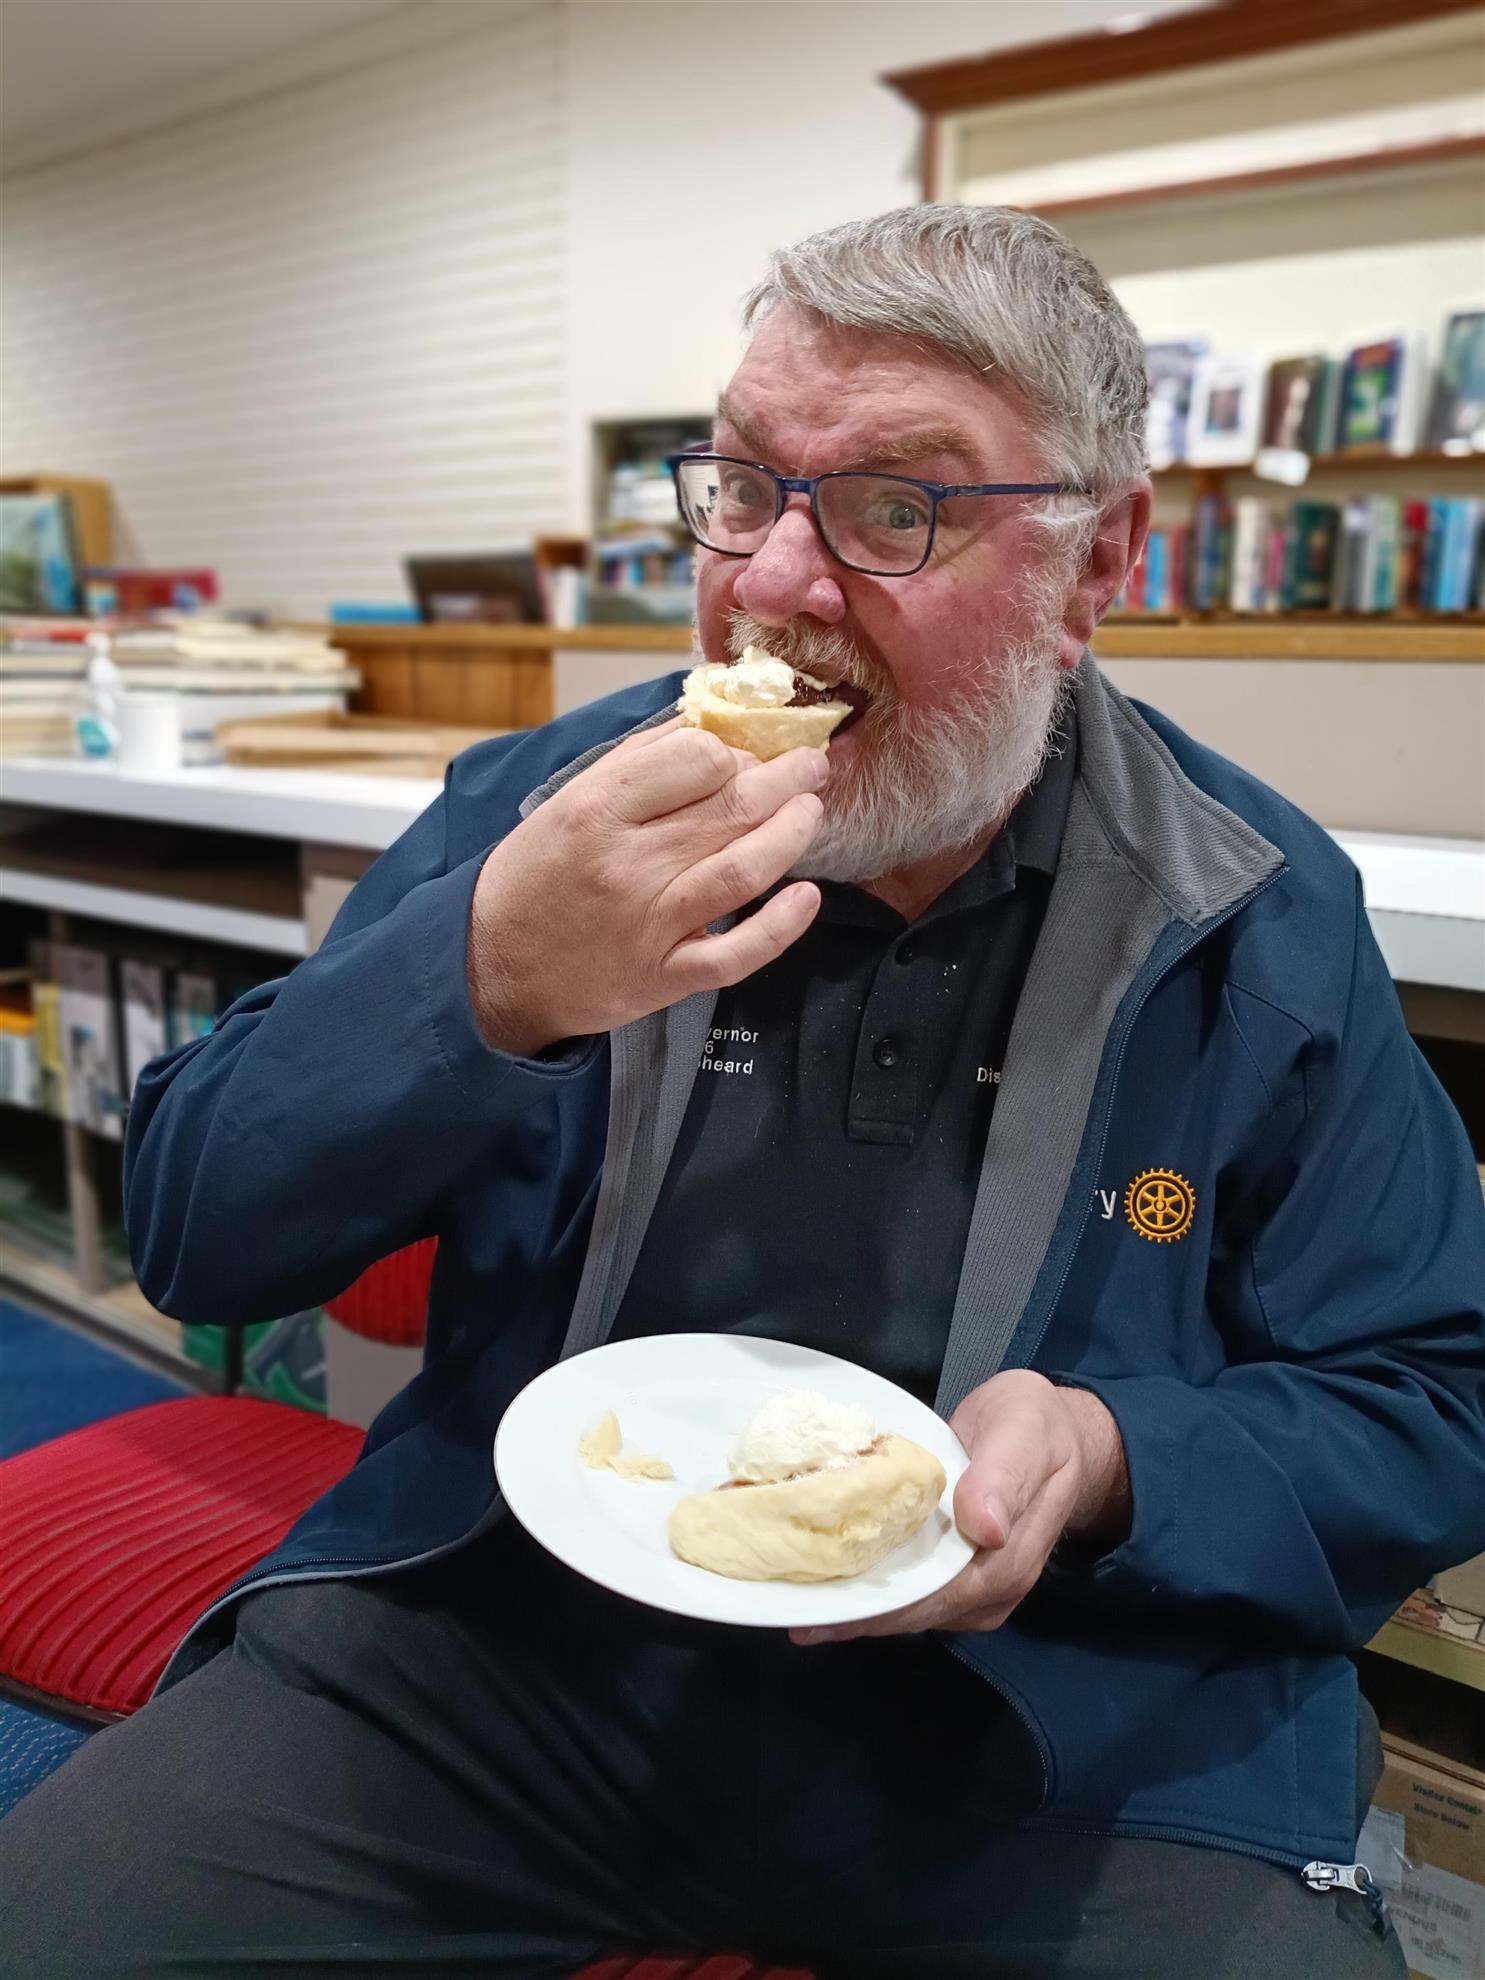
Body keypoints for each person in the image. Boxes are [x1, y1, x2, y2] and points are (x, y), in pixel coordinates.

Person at [3, 205, 1482, 1980]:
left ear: (1096, 565)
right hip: (501, 1665)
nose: (772, 583)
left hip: (1065, 1738)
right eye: (743, 487)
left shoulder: (1249, 911)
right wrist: (481, 982)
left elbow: (1435, 1396)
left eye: (894, 507)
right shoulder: (550, 818)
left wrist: (1112, 1463)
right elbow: (194, 1232)